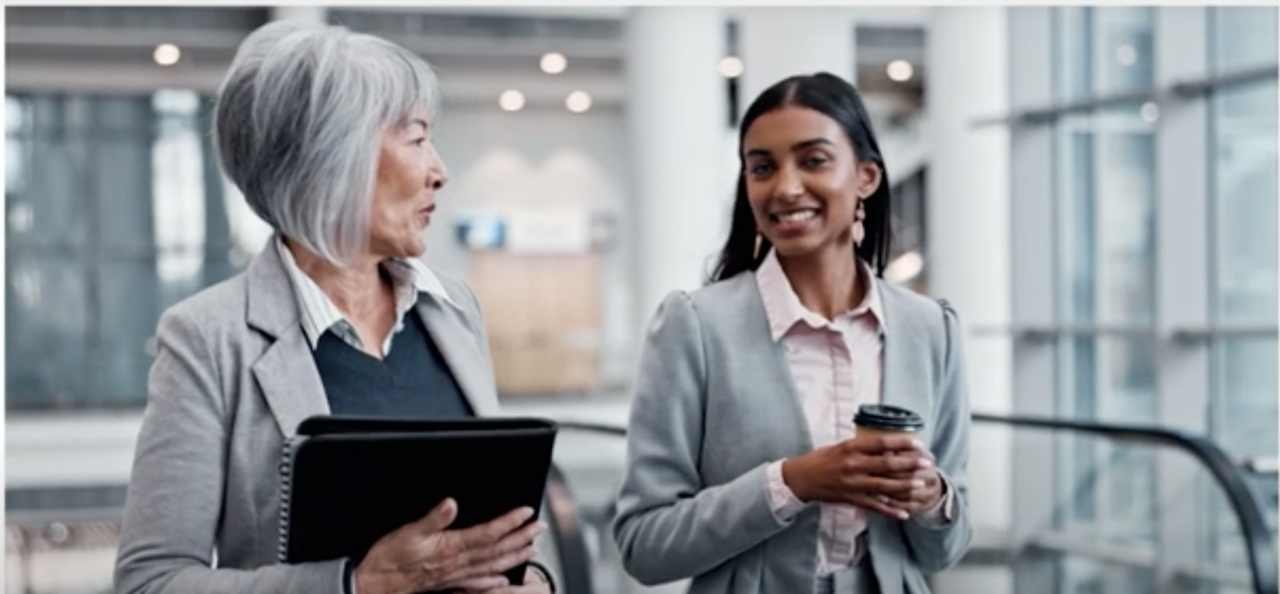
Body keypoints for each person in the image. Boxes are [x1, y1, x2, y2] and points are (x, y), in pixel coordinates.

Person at [114, 20, 555, 594]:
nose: (439, 172)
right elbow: (151, 583)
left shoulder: (454, 308)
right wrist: (355, 585)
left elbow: (495, 530)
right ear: (335, 157)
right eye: (417, 139)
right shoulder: (208, 338)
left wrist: (532, 583)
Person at [611, 72, 973, 594]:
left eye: (813, 160)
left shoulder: (931, 329)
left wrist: (931, 497)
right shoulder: (695, 327)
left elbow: (946, 549)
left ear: (867, 176)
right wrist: (791, 483)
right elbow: (643, 546)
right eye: (762, 168)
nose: (785, 187)